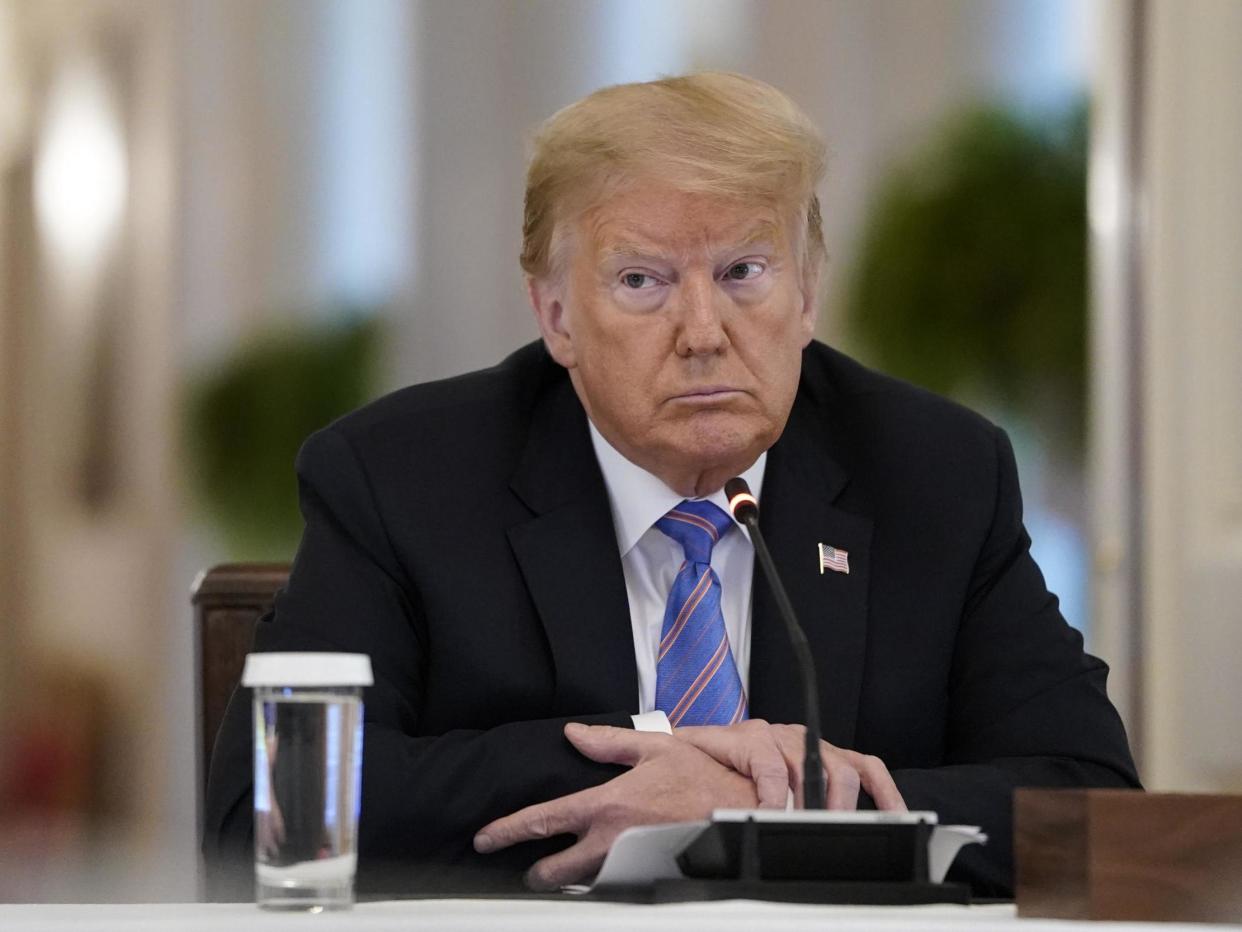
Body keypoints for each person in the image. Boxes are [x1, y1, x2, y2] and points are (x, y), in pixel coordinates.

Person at [204, 72, 1139, 898]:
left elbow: (1097, 815)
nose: (703, 330)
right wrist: (653, 772)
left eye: (744, 272)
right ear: (556, 313)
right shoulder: (402, 478)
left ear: (807, 293)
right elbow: (267, 809)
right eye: (644, 281)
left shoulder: (936, 475)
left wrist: (772, 803)